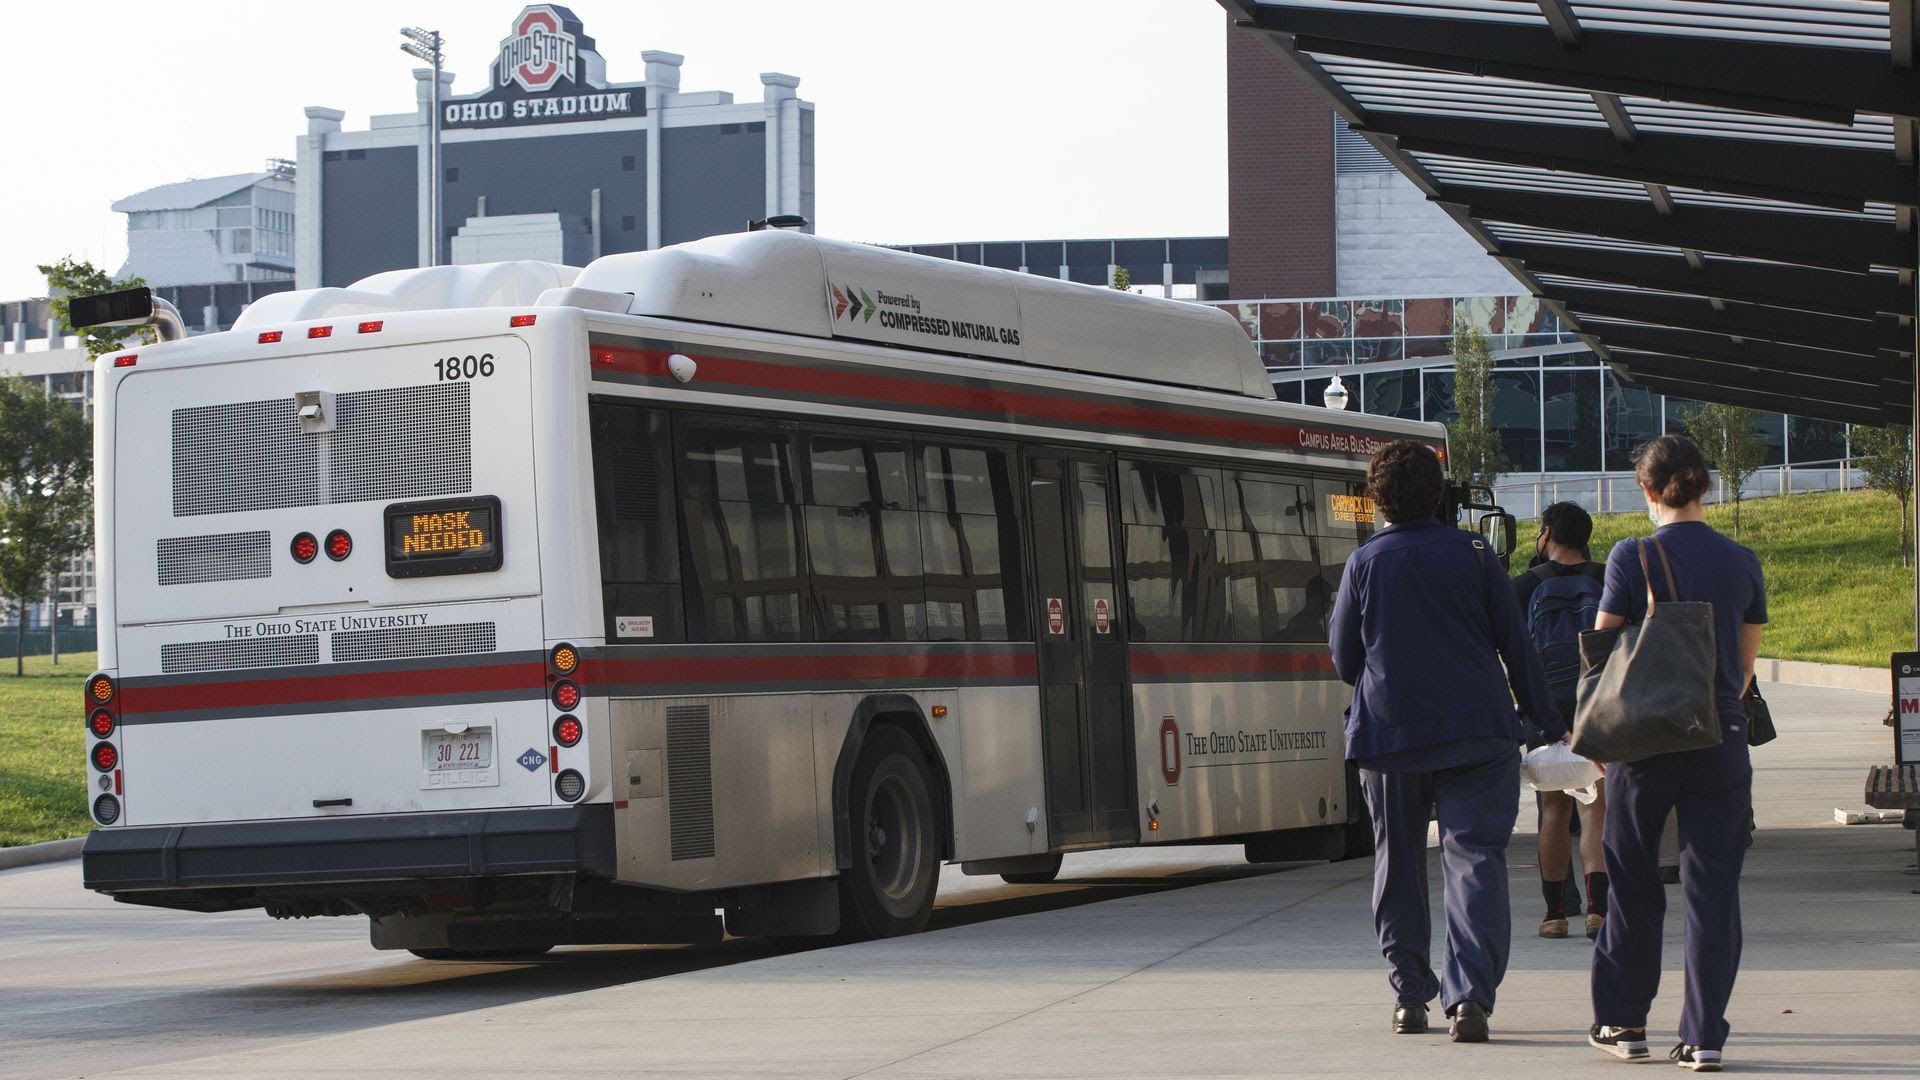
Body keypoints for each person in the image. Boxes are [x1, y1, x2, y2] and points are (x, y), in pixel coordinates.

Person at [1330, 441, 1564, 1044]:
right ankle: (1470, 1000)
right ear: (1439, 493)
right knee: (1475, 858)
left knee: (1398, 862)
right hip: (1478, 731)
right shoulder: (1476, 553)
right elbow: (1516, 643)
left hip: (1390, 734)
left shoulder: (1365, 564)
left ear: (1375, 498)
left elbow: (1344, 658)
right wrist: (1547, 721)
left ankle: (1410, 998)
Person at [1587, 434, 1766, 1073]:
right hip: (1719, 737)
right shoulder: (1742, 561)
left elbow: (1604, 654)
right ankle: (1704, 1037)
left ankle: (1625, 1023)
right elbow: (1743, 672)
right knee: (1713, 887)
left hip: (1645, 740)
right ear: (1706, 487)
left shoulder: (1630, 557)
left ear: (1646, 489)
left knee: (1633, 880)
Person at [1514, 502, 1610, 940]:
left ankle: (1555, 913)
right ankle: (1598, 910)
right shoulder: (1606, 578)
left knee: (1553, 809)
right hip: (1599, 703)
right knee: (1595, 806)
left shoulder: (1523, 585)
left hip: (1544, 705)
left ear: (1547, 533)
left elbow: (1507, 651)